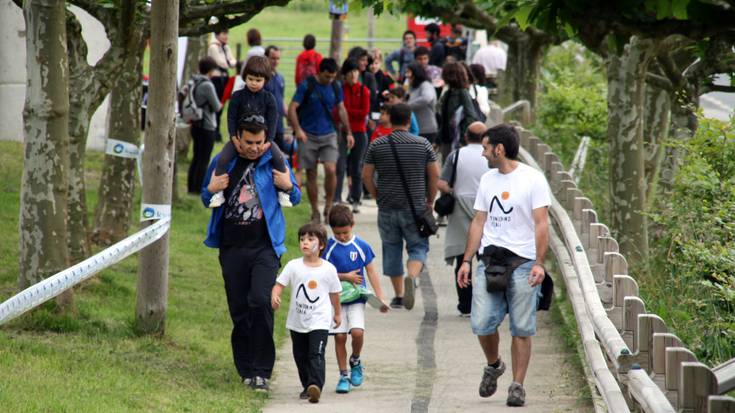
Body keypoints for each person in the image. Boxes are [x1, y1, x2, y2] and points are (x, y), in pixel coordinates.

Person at [201, 115, 301, 393]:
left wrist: (288, 185)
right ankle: (245, 367)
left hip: (265, 248)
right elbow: (205, 197)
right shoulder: (224, 162)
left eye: (259, 142)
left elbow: (295, 198)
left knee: (260, 301)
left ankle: (261, 371)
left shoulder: (273, 163)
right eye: (249, 142)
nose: (255, 148)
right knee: (240, 309)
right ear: (238, 139)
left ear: (266, 139)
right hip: (232, 247)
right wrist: (210, 190)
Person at [456, 124, 551, 407]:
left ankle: (517, 385)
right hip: (490, 260)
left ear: (499, 149)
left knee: (522, 327)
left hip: (523, 262)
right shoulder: (487, 179)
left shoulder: (533, 180)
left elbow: (541, 223)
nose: (483, 153)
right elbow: (479, 221)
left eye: (486, 148)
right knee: (481, 322)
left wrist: (539, 263)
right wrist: (466, 260)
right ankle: (494, 364)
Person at [363, 103, 439, 310]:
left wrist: (377, 195)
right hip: (415, 207)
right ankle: (412, 276)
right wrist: (430, 201)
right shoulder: (423, 144)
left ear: (390, 120)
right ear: (408, 121)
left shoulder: (377, 145)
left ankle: (398, 295)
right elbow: (434, 175)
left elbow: (366, 175)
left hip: (387, 206)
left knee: (391, 248)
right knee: (418, 247)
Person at [271, 223, 342, 404]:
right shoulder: (293, 266)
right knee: (300, 356)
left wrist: (338, 314)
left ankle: (315, 385)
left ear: (321, 245)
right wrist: (275, 297)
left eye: (311, 239)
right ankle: (307, 386)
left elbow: (335, 294)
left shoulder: (328, 269)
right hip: (297, 321)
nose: (305, 243)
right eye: (302, 239)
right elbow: (279, 285)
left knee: (316, 354)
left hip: (320, 320)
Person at [209, 56, 291, 208]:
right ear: (244, 77)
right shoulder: (237, 97)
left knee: (280, 158)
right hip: (239, 140)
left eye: (258, 80)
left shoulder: (269, 99)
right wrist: (234, 138)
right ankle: (218, 193)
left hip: (264, 140)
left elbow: (273, 121)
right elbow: (231, 118)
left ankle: (282, 192)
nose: (254, 83)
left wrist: (268, 142)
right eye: (250, 79)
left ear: (265, 80)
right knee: (222, 160)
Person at [324, 205, 389, 394]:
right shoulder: (328, 248)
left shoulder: (361, 246)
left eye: (345, 232)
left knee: (357, 333)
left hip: (356, 298)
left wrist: (381, 297)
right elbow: (324, 272)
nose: (342, 237)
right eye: (337, 234)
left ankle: (356, 360)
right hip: (335, 300)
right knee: (340, 336)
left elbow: (371, 271)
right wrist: (345, 276)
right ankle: (343, 375)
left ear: (353, 225)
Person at [288, 58, 354, 223]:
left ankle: (329, 205)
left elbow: (341, 109)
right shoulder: (307, 85)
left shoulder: (335, 86)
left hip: (329, 134)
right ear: (319, 72)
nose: (329, 80)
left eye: (332, 76)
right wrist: (298, 129)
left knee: (331, 169)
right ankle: (315, 210)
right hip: (308, 134)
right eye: (326, 76)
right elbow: (292, 107)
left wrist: (349, 132)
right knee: (311, 173)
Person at [437, 121, 489, 316]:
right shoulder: (491, 156)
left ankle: (465, 304)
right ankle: (487, 302)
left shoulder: (456, 155)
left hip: (460, 209)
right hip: (486, 210)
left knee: (463, 258)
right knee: (486, 259)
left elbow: (441, 183)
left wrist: (454, 190)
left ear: (466, 136)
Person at [335, 58, 371, 213]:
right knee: (340, 165)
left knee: (356, 167)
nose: (353, 75)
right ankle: (336, 198)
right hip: (342, 131)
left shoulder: (364, 90)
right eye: (350, 72)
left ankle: (356, 198)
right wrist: (345, 113)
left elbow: (364, 113)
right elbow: (336, 111)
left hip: (359, 132)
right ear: (345, 74)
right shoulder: (340, 90)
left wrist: (346, 111)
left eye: (355, 72)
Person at [186, 57, 224, 195]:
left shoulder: (193, 81)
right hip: (207, 126)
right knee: (204, 159)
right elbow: (216, 106)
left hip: (195, 124)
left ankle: (191, 187)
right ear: (211, 70)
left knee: (196, 157)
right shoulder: (207, 85)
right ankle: (199, 188)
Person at [436, 62, 482, 162]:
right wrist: (438, 139)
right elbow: (444, 120)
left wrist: (462, 137)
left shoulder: (463, 93)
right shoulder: (448, 93)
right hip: (447, 139)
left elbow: (471, 116)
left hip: (457, 140)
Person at [207, 29, 237, 142]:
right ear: (217, 34)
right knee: (216, 105)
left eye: (227, 34)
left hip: (224, 78)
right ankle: (214, 131)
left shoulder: (226, 47)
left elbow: (231, 60)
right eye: (223, 34)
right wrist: (231, 63)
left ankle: (217, 132)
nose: (226, 36)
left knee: (222, 104)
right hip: (216, 79)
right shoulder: (213, 47)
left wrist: (232, 63)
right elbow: (223, 63)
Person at [405, 62, 438, 147]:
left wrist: (407, 106)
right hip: (415, 128)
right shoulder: (412, 86)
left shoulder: (425, 85)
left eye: (409, 72)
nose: (406, 75)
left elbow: (427, 98)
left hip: (426, 129)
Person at [263, 45, 289, 153]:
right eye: (273, 58)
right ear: (266, 58)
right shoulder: (261, 78)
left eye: (278, 58)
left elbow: (281, 99)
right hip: (265, 126)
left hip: (279, 126)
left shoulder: (280, 78)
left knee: (278, 155)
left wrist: (289, 116)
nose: (276, 61)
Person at [347, 46, 380, 130]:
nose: (366, 63)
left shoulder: (369, 77)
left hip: (364, 121)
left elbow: (372, 98)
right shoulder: (344, 77)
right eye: (362, 60)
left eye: (366, 60)